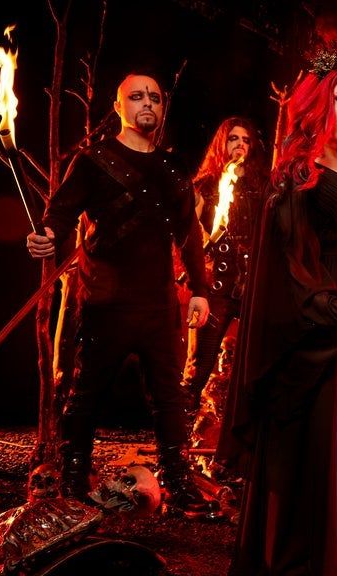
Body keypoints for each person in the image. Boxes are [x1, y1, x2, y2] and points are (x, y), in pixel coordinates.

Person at [225, 52, 337, 575]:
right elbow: (289, 260)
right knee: (324, 442)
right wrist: (326, 303)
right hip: (328, 327)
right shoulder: (298, 174)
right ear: (318, 104)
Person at [25, 71, 211, 515]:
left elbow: (189, 234)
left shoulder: (172, 168)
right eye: (137, 96)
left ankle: (177, 479)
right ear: (119, 106)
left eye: (155, 98)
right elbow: (60, 213)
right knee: (86, 392)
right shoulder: (94, 161)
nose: (147, 103)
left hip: (158, 301)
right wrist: (46, 236)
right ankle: (73, 476)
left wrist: (199, 290)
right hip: (105, 301)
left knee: (169, 395)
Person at [180, 117, 268, 444]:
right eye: (233, 139)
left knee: (261, 365)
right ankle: (178, 444)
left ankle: (253, 444)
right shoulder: (204, 186)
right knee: (198, 366)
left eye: (246, 140)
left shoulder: (263, 187)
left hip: (254, 286)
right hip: (216, 285)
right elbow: (187, 236)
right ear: (222, 144)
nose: (240, 145)